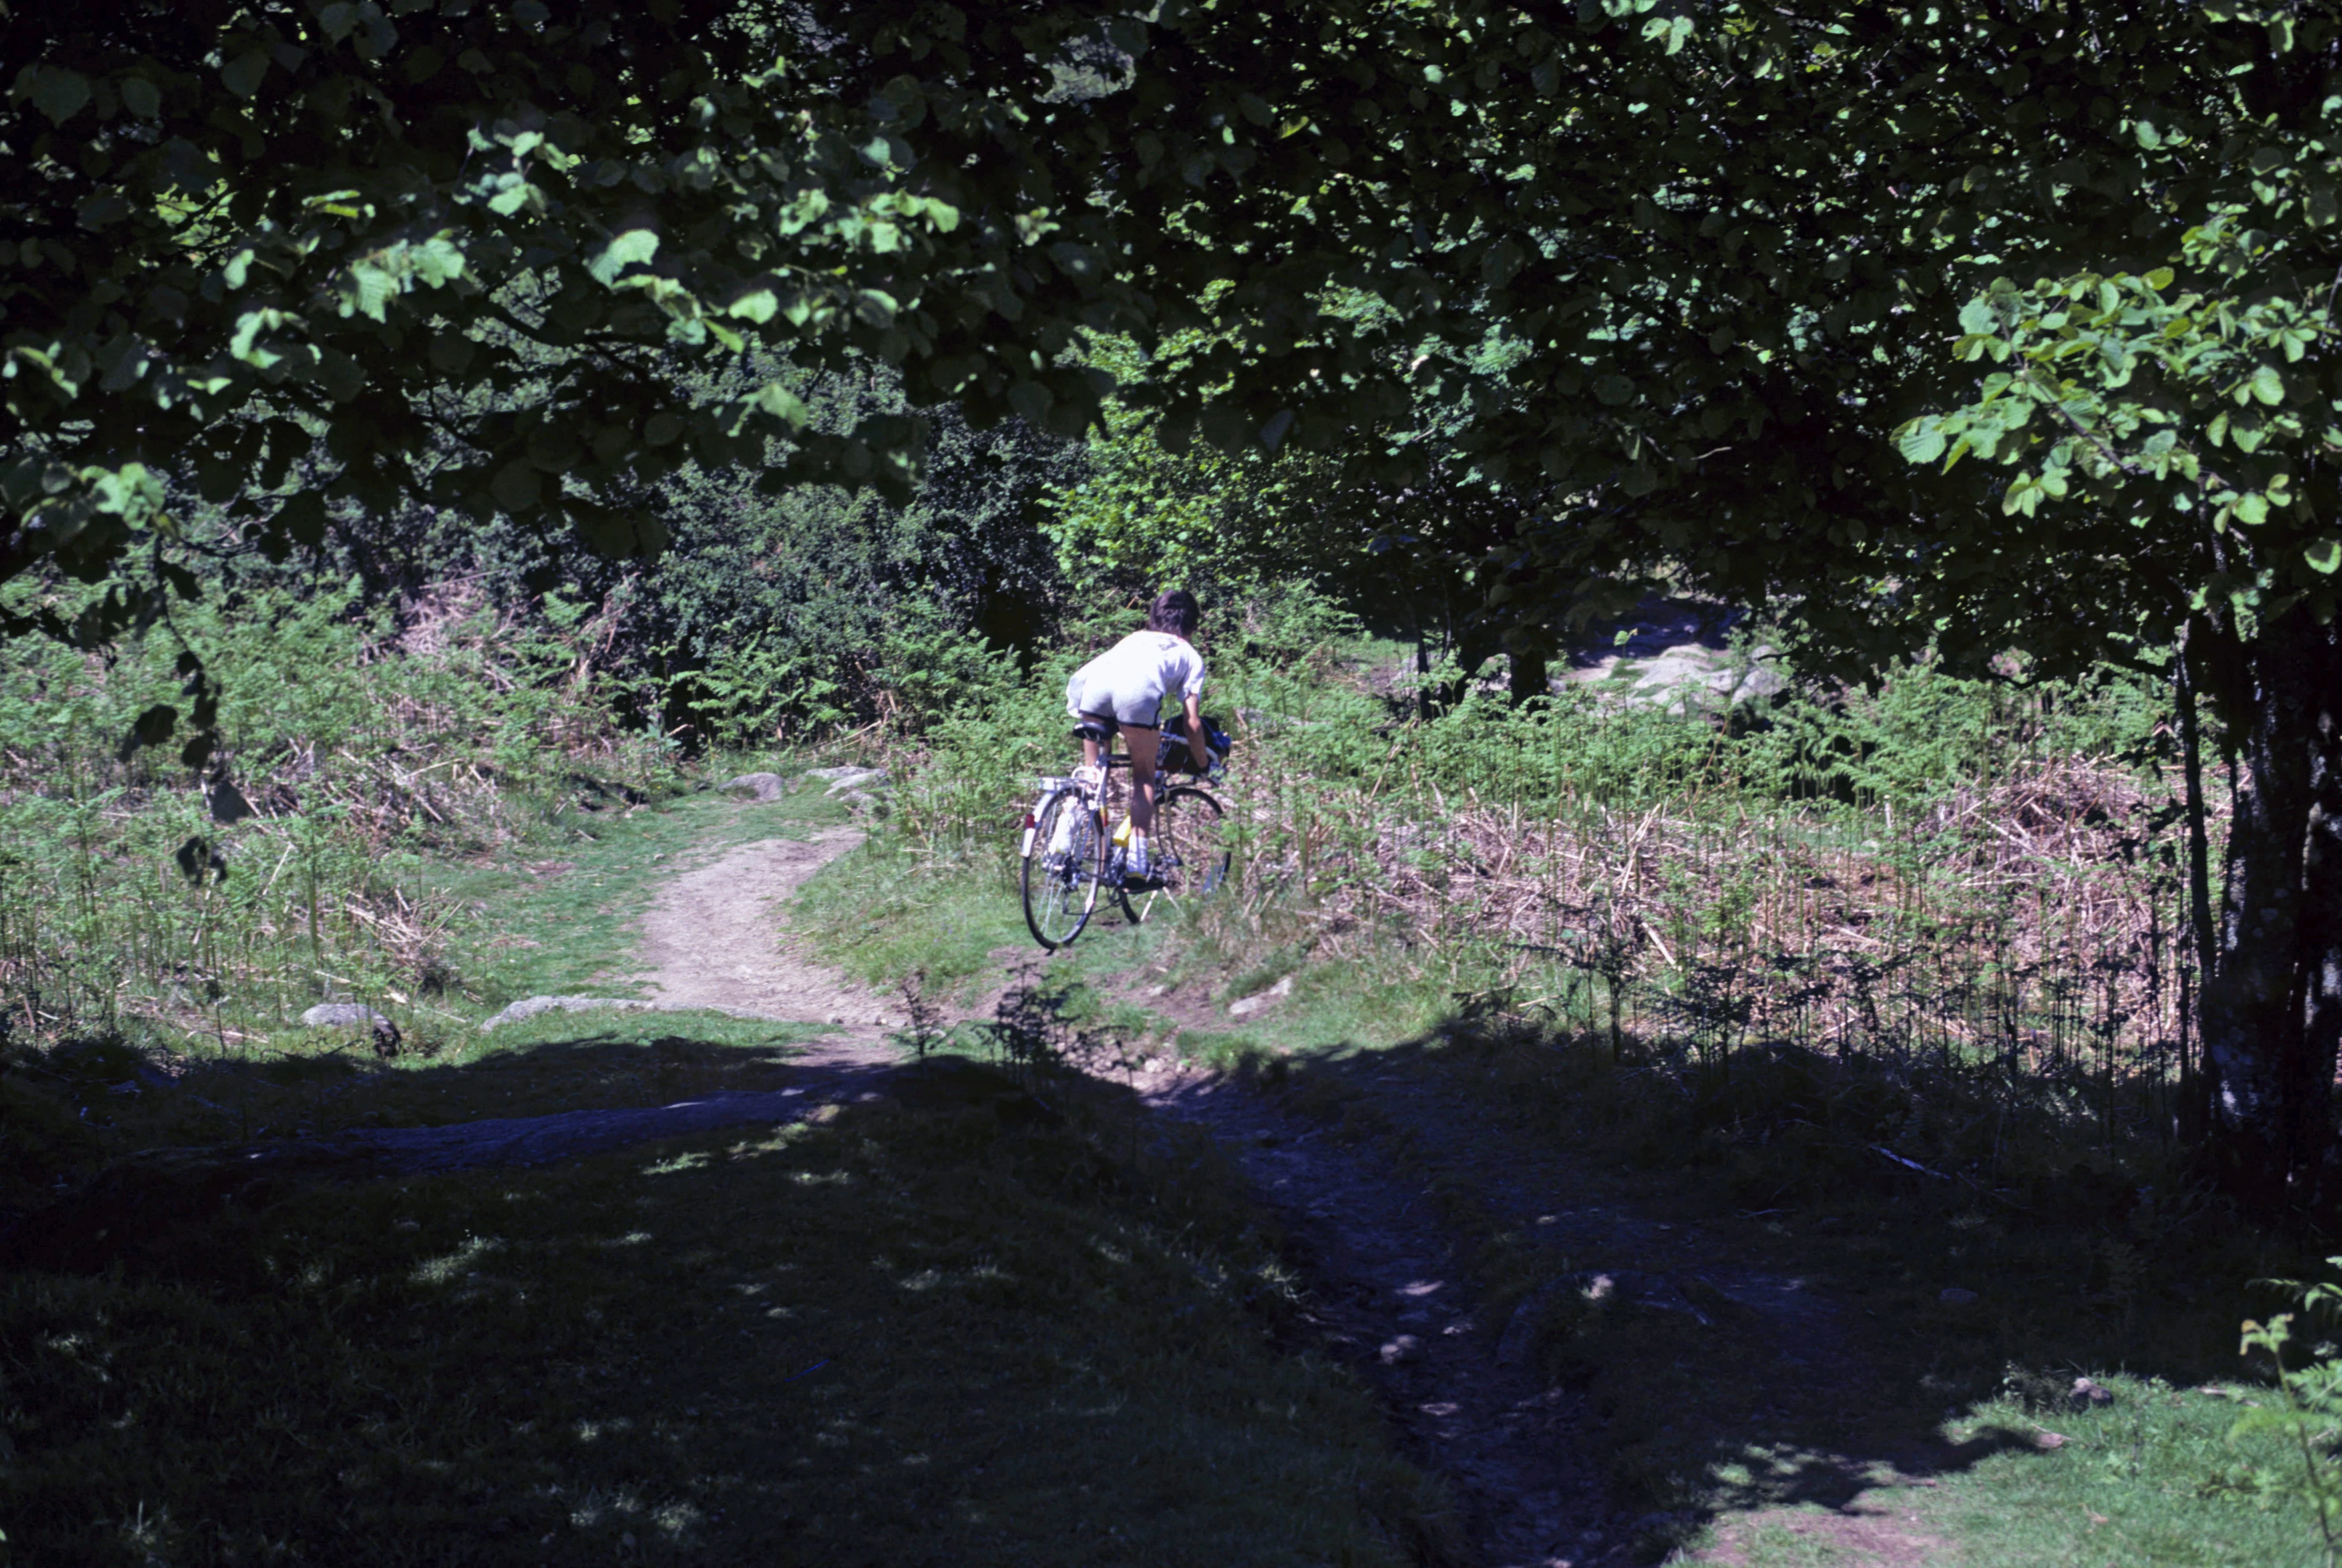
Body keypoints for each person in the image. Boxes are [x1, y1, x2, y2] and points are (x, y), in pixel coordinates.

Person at [1063, 589, 1207, 883]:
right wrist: (1204, 763)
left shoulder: (1134, 638)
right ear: (1193, 626)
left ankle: (1060, 848)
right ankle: (1137, 866)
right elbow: (1192, 723)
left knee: (1091, 776)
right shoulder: (1190, 656)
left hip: (1094, 685)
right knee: (1144, 776)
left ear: (1153, 618)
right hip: (1136, 692)